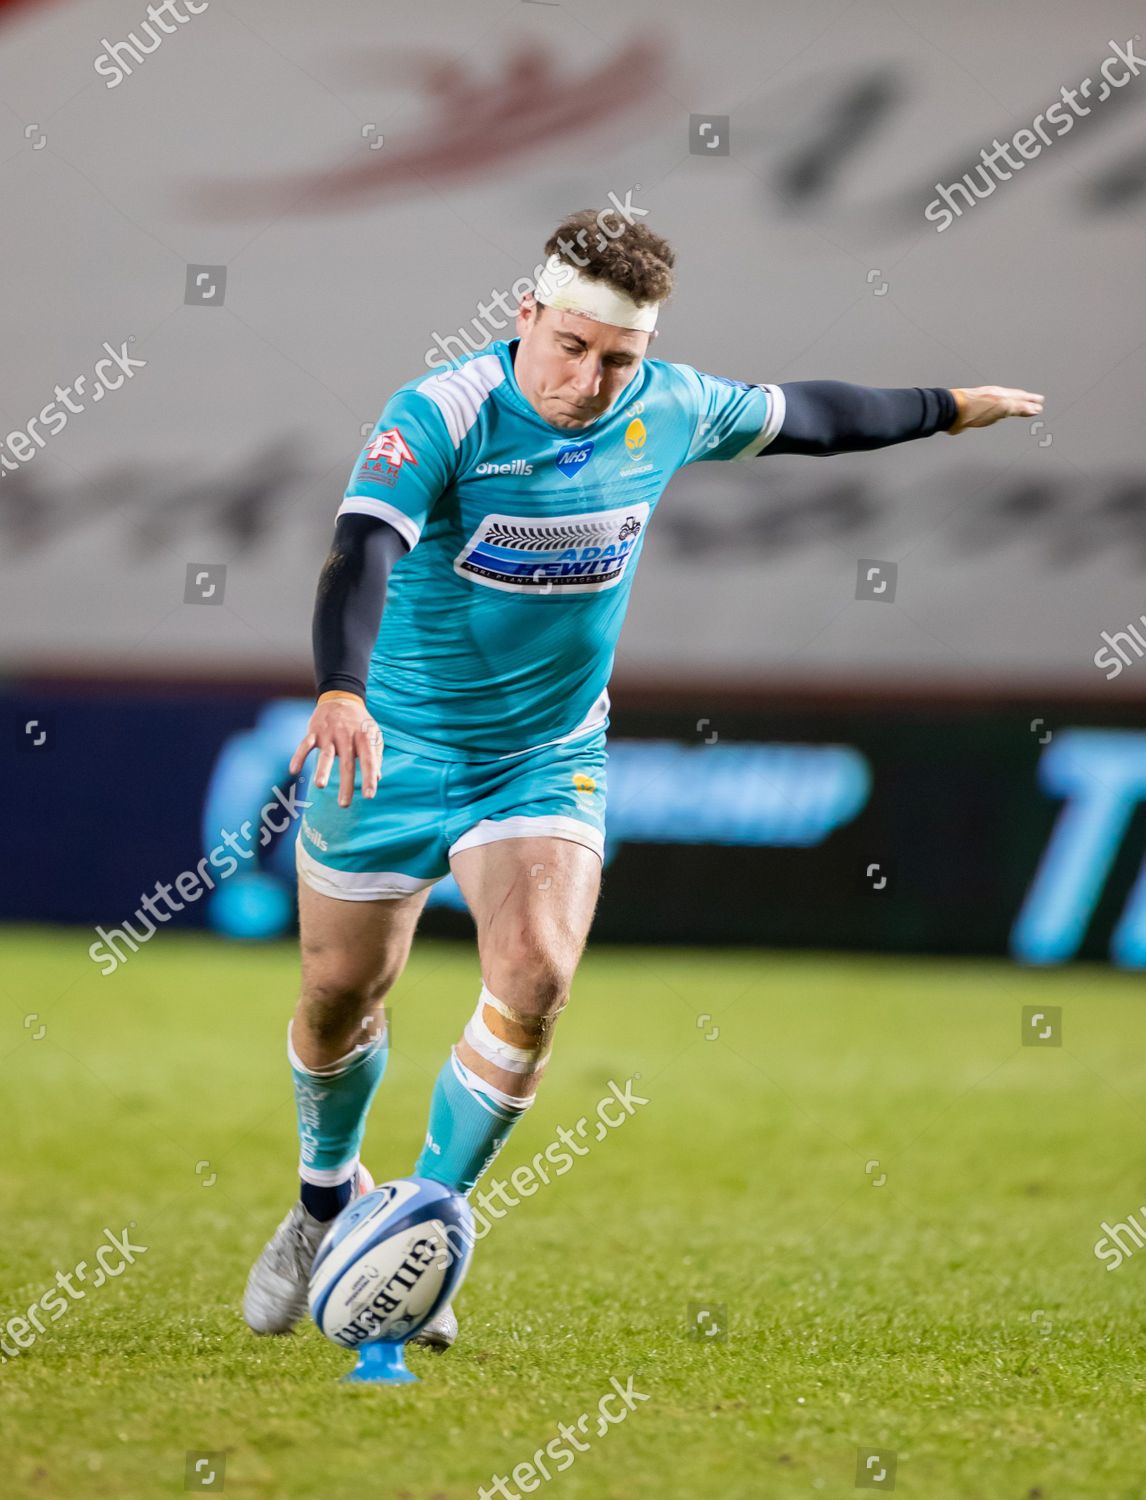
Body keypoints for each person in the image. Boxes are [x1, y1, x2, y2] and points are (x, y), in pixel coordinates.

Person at [242, 208, 1043, 1348]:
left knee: (536, 978)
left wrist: (953, 408)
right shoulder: (442, 413)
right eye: (570, 346)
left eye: (619, 357)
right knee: (336, 998)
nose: (590, 377)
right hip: (390, 749)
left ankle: (419, 1223)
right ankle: (326, 1203)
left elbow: (816, 418)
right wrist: (340, 687)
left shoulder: (667, 406)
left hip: (543, 757)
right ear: (526, 318)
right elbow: (361, 548)